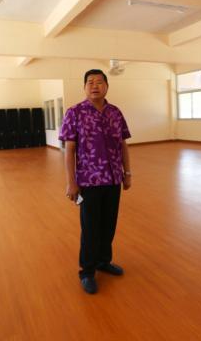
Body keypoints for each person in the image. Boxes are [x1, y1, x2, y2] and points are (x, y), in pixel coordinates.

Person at [59, 69, 132, 294]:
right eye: (90, 82)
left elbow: (123, 145)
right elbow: (69, 150)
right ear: (84, 87)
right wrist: (71, 182)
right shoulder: (74, 113)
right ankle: (87, 271)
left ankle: (103, 261)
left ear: (107, 86)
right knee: (90, 228)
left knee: (109, 224)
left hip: (113, 179)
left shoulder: (115, 112)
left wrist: (127, 173)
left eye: (99, 82)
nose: (94, 86)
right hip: (88, 181)